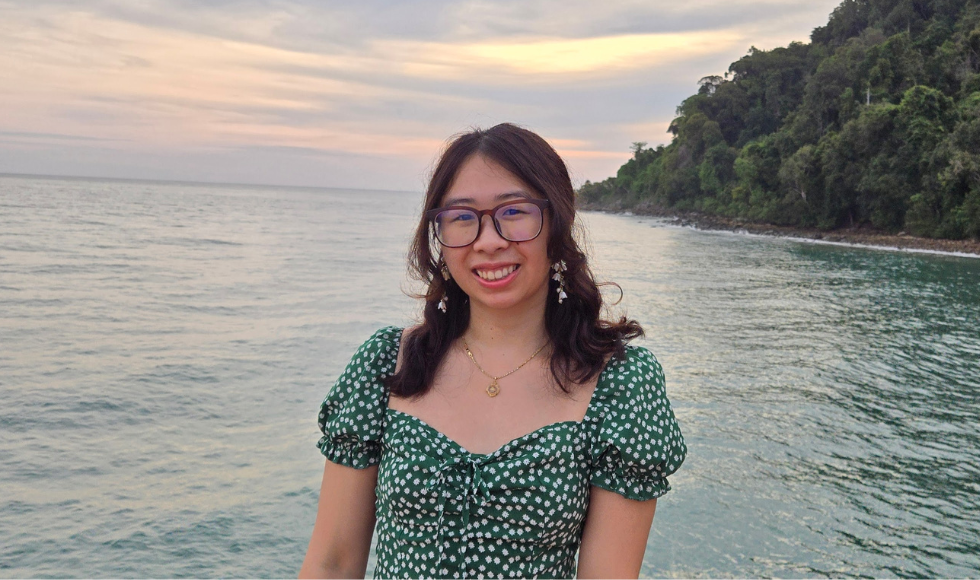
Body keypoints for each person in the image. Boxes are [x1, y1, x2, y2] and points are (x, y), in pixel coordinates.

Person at [299, 123, 686, 579]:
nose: (488, 240)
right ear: (439, 237)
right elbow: (333, 563)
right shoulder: (390, 363)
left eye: (514, 212)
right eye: (462, 217)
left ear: (556, 225)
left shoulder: (618, 383)